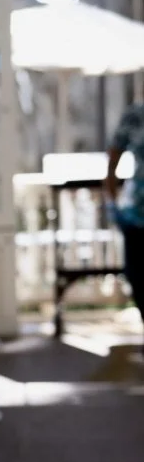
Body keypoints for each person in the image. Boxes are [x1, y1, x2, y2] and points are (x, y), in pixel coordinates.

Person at [105, 101, 144, 342]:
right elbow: (112, 159)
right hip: (137, 214)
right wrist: (112, 203)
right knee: (137, 275)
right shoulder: (135, 115)